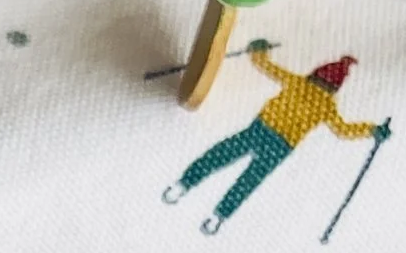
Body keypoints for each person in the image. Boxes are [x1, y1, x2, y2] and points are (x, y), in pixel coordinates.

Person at [163, 51, 386, 232]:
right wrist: (372, 130)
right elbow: (343, 129)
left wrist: (259, 50)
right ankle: (218, 216)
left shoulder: (297, 83)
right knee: (249, 180)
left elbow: (266, 66)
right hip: (281, 145)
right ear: (336, 87)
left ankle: (184, 184)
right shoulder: (328, 106)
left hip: (261, 129)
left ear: (316, 73)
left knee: (221, 154)